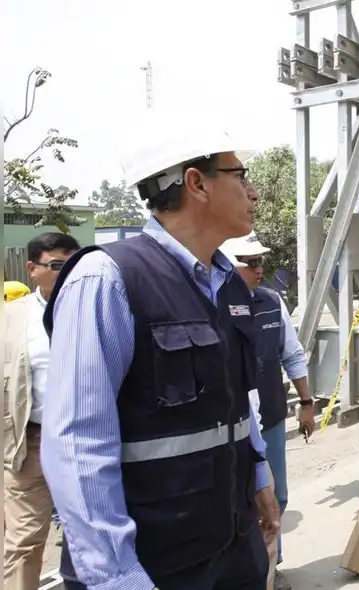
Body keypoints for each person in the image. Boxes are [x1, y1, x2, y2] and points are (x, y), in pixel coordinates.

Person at [40, 120, 281, 590]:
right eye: (240, 174)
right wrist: (117, 578)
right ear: (196, 183)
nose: (253, 192)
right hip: (154, 565)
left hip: (232, 545)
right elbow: (76, 445)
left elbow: (232, 399)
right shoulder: (108, 279)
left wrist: (258, 473)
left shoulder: (229, 282)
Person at [220, 226, 314, 590]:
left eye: (260, 261)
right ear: (226, 265)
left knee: (278, 496)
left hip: (271, 419)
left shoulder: (272, 302)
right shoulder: (210, 305)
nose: (258, 269)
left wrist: (306, 403)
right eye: (249, 262)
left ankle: (273, 569)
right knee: (240, 503)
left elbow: (291, 354)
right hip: (229, 425)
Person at [3, 232, 79, 590]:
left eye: (75, 263)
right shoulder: (11, 319)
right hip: (30, 444)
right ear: (32, 269)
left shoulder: (93, 307)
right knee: (22, 543)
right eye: (58, 265)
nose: (69, 272)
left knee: (91, 538)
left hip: (86, 443)